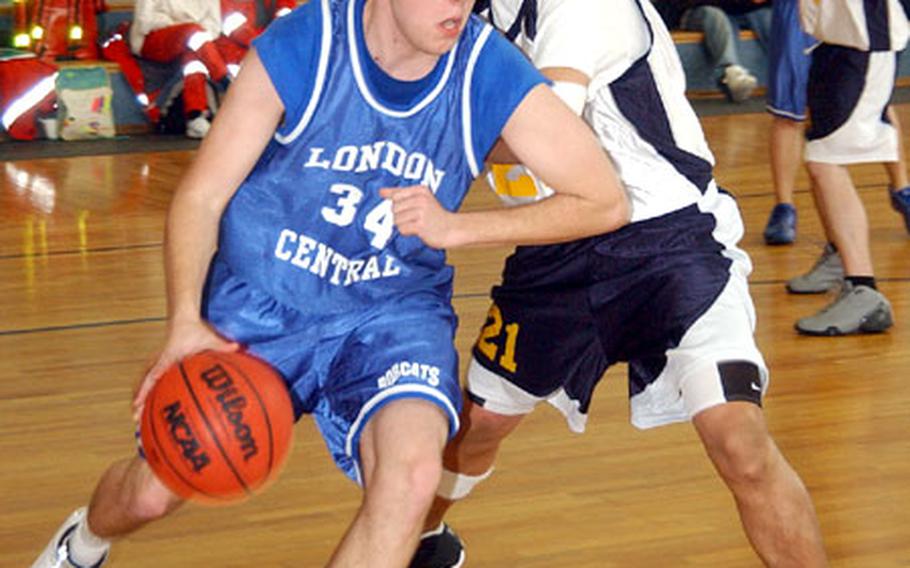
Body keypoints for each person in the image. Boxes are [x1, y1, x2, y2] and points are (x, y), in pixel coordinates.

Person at [30, 0, 630, 567]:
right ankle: (82, 542)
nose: (459, 8)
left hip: (392, 315)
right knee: (151, 496)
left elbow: (603, 200)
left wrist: (459, 227)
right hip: (262, 300)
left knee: (414, 477)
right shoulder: (307, 43)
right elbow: (203, 194)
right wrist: (185, 323)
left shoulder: (486, 68)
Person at [409, 1, 828, 567]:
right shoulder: (463, 14)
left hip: (670, 242)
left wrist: (425, 127)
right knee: (477, 425)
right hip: (553, 246)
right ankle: (424, 542)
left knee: (740, 441)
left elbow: (537, 140)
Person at [787, 0, 909, 335]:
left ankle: (863, 287)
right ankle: (841, 254)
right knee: (819, 156)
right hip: (835, 40)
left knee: (826, 162)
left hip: (864, 44)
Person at [762, 0, 910, 245]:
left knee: (874, 99)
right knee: (788, 107)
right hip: (799, 9)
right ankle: (784, 206)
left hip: (854, 14)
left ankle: (901, 187)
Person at [128, 0, 230, 138]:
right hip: (153, 39)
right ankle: (225, 80)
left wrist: (190, 28)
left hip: (195, 43)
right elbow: (145, 21)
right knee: (193, 33)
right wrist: (183, 26)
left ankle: (195, 116)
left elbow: (214, 26)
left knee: (193, 57)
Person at [655, 0, 772, 102]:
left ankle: (786, 76)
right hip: (694, 10)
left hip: (743, 9)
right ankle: (730, 73)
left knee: (770, 17)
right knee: (715, 16)